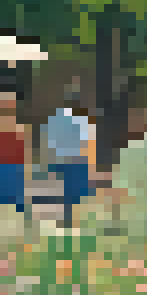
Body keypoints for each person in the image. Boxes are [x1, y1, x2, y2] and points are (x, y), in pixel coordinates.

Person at [42, 86, 98, 221]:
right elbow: (88, 142)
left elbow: (50, 141)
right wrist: (91, 162)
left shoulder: (55, 118)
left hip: (62, 160)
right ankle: (74, 217)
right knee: (77, 192)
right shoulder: (83, 120)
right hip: (77, 160)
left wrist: (50, 161)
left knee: (67, 192)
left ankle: (67, 217)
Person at [0, 91, 31, 215]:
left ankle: (18, 210)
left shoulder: (18, 121)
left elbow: (25, 142)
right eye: (7, 102)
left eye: (12, 102)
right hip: (1, 162)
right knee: (0, 190)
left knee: (16, 190)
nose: (10, 104)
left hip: (15, 162)